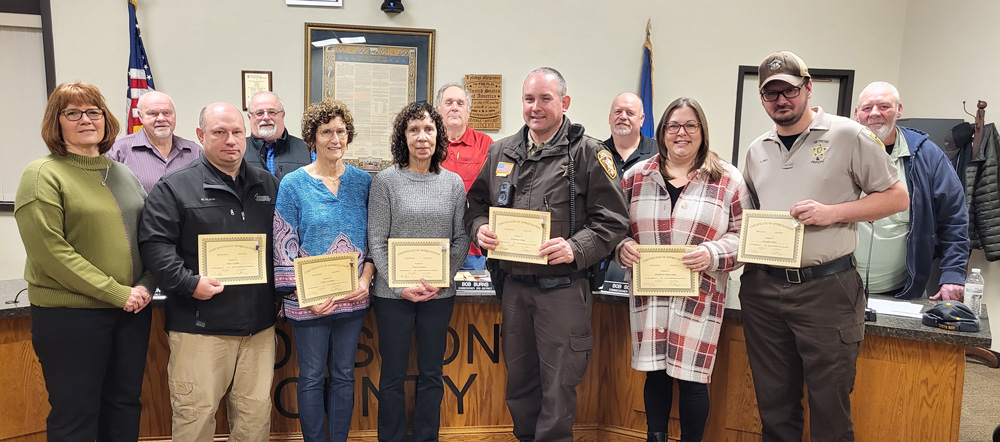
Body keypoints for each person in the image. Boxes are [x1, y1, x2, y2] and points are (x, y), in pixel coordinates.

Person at [740, 51, 908, 442]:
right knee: (774, 404)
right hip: (764, 289)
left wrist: (832, 213)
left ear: (808, 88)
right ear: (763, 100)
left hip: (826, 289)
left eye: (790, 90)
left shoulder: (849, 135)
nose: (781, 100)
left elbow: (898, 198)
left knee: (829, 406)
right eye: (771, 94)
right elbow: (746, 213)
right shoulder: (757, 149)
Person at [465, 67, 629, 442]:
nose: (535, 107)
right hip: (514, 289)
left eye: (545, 99)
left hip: (563, 291)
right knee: (520, 386)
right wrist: (479, 229)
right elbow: (474, 206)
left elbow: (614, 220)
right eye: (528, 99)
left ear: (564, 103)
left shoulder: (588, 153)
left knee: (558, 388)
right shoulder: (501, 151)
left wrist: (575, 247)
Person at [14, 81, 154, 442]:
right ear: (55, 123)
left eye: (93, 111)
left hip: (130, 311)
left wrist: (146, 284)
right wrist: (115, 291)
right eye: (72, 113)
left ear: (105, 119)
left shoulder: (122, 173)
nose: (86, 120)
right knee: (76, 413)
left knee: (125, 404)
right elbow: (50, 253)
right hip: (71, 317)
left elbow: (149, 237)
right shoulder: (42, 175)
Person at [138, 102, 280, 442]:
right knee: (196, 419)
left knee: (254, 417)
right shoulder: (174, 187)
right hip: (200, 328)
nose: (230, 140)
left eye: (236, 132)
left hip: (257, 329)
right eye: (219, 133)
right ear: (201, 135)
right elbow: (155, 247)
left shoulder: (267, 185)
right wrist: (190, 284)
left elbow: (282, 244)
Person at [616, 97, 750, 442]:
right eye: (674, 126)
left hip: (700, 298)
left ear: (702, 132)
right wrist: (622, 246)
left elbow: (745, 235)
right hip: (650, 296)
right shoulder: (636, 176)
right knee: (656, 375)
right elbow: (612, 226)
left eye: (691, 125)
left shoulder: (728, 179)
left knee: (693, 379)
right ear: (662, 132)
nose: (682, 133)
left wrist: (713, 252)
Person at [368, 101, 470, 442]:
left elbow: (461, 238)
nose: (422, 137)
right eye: (414, 130)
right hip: (392, 296)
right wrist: (399, 287)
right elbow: (377, 241)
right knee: (392, 376)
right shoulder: (385, 181)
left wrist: (440, 281)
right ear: (403, 136)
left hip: (438, 295)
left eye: (428, 129)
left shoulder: (453, 183)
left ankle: (427, 437)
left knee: (431, 373)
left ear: (438, 135)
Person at [273, 99, 373, 442]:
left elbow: (374, 238)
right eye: (326, 131)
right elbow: (283, 242)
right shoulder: (293, 184)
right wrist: (304, 297)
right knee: (312, 376)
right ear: (311, 138)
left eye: (341, 131)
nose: (335, 138)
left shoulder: (363, 182)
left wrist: (366, 276)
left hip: (352, 298)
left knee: (345, 375)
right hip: (310, 301)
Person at [852, 81, 969, 301]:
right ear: (857, 113)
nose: (875, 113)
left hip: (901, 291)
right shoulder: (838, 150)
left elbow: (953, 218)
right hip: (837, 289)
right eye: (867, 108)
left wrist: (953, 274)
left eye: (884, 106)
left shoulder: (926, 155)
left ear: (899, 110)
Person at [436, 82, 494, 270]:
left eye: (460, 103)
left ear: (468, 111)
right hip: (434, 246)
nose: (454, 107)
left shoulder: (486, 144)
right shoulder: (426, 144)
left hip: (473, 249)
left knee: (471, 300)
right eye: (449, 102)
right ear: (438, 110)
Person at [107, 90, 203, 192]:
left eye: (167, 113)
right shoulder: (118, 151)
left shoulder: (195, 152)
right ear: (140, 116)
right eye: (153, 113)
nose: (161, 118)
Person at [245, 91, 314, 181]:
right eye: (259, 113)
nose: (266, 117)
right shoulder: (237, 150)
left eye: (272, 112)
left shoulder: (308, 150)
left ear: (283, 115)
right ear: (250, 117)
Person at [605, 92, 656, 177]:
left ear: (641, 119)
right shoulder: (597, 153)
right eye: (618, 112)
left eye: (630, 113)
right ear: (610, 118)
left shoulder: (659, 153)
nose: (623, 117)